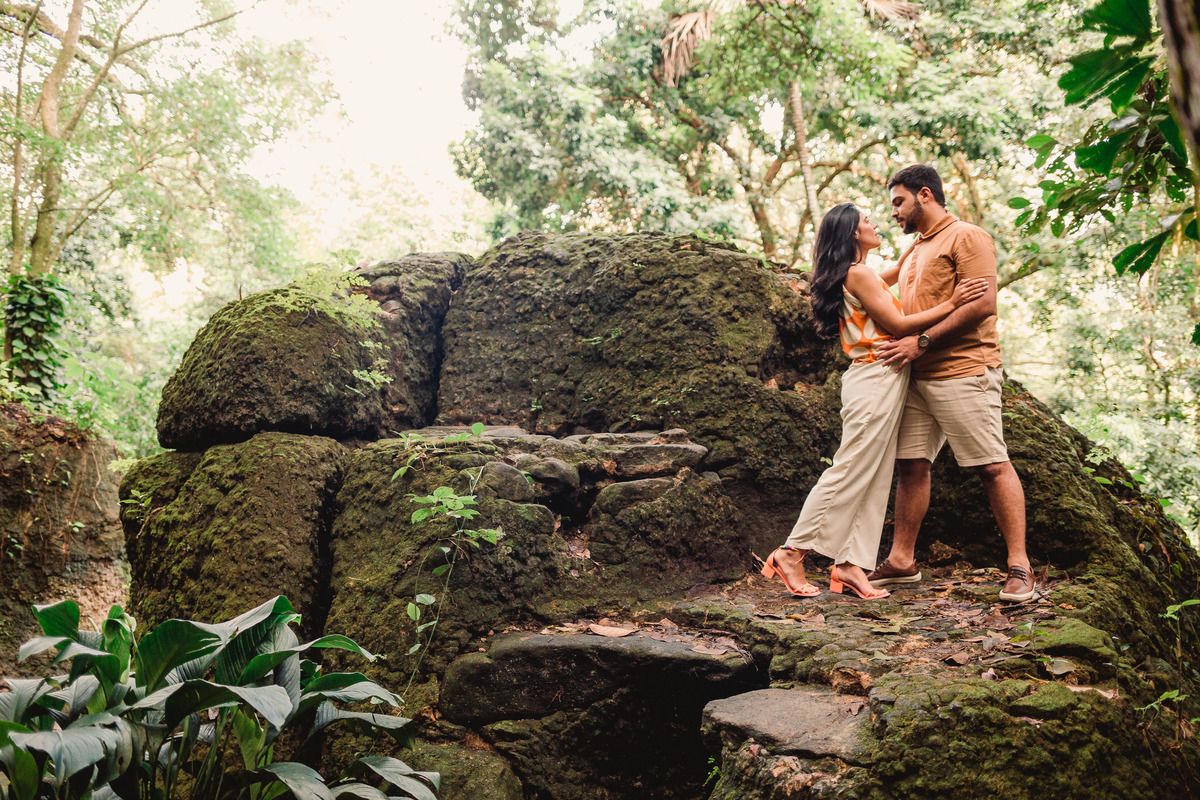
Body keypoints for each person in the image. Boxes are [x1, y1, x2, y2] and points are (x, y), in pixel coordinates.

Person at [761, 202, 987, 600]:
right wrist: (954, 301)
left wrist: (917, 247)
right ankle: (792, 552)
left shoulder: (858, 275)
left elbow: (891, 277)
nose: (876, 222)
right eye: (867, 220)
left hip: (884, 378)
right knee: (851, 467)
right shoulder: (858, 273)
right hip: (873, 376)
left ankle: (850, 565)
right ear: (852, 233)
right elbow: (898, 325)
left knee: (878, 471)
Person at [866, 164, 1034, 603]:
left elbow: (983, 306)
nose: (894, 214)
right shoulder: (916, 248)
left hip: (964, 369)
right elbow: (873, 285)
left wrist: (920, 342)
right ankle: (902, 560)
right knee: (911, 464)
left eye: (898, 202)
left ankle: (1020, 566)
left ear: (925, 195)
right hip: (916, 376)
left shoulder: (968, 237)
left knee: (991, 464)